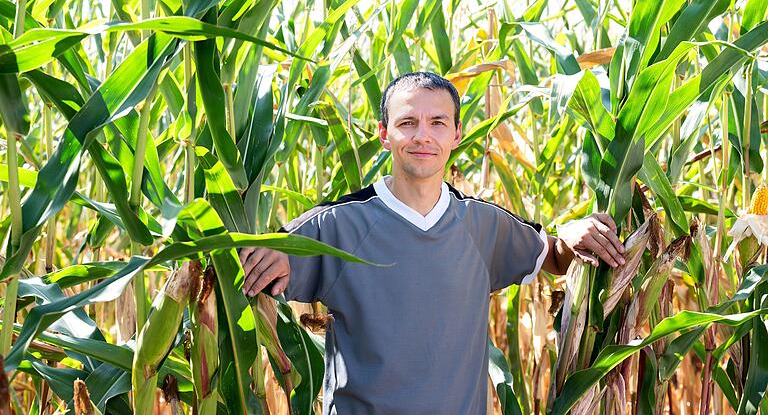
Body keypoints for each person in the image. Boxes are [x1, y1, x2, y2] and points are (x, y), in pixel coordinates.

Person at [238, 72, 625, 414]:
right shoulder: (336, 225)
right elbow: (262, 264)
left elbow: (552, 258)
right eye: (408, 122)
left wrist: (572, 236)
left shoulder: (482, 224)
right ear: (384, 134)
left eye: (437, 122)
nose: (423, 135)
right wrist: (260, 254)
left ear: (456, 134)